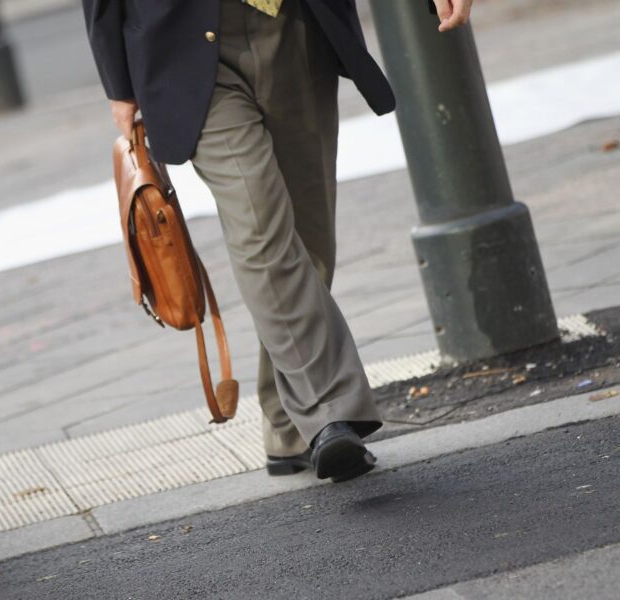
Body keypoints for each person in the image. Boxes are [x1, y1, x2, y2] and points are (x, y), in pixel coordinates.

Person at [83, 0, 474, 482]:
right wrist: (117, 83)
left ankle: (288, 426)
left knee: (309, 242)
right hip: (181, 46)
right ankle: (329, 409)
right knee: (260, 227)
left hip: (296, 28)